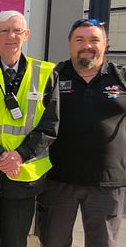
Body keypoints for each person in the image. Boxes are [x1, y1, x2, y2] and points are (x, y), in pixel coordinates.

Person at [0, 11, 59, 247]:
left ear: (26, 35)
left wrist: (19, 156)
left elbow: (50, 125)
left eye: (17, 30)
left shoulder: (46, 73)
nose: (11, 36)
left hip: (23, 178)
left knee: (14, 242)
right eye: (4, 30)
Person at [38, 19, 126, 247]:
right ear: (70, 44)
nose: (87, 45)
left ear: (106, 44)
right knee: (53, 241)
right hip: (58, 180)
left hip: (107, 183)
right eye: (80, 40)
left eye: (94, 39)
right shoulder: (52, 76)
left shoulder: (121, 78)